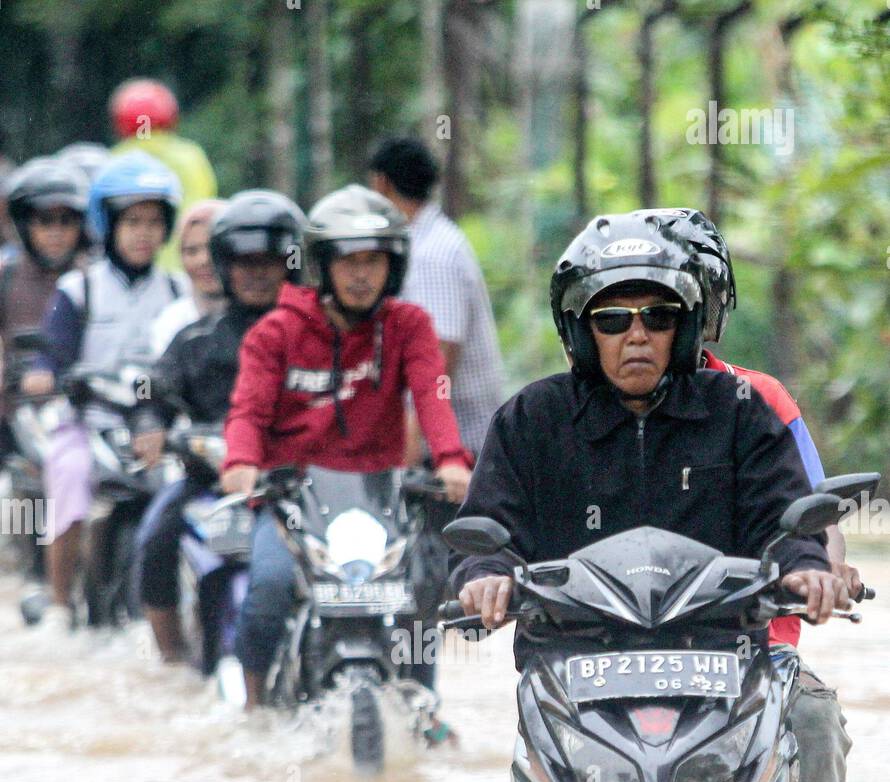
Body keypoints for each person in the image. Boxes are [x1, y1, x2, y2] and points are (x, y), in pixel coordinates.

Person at [454, 213, 848, 655]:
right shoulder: (533, 418)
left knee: (814, 718)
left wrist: (804, 566)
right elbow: (490, 527)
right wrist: (485, 574)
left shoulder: (737, 409)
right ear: (582, 333)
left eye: (659, 317)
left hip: (720, 660)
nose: (637, 336)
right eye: (613, 319)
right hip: (573, 662)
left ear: (685, 329)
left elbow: (784, 518)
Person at [631, 207, 855, 782]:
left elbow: (815, 518)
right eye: (633, 309)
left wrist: (822, 572)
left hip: (746, 644)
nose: (655, 327)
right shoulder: (572, 413)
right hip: (613, 648)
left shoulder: (761, 403)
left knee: (814, 719)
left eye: (675, 305)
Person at [221, 184, 473, 712]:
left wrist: (450, 460)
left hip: (384, 497)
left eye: (374, 262)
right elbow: (248, 411)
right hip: (293, 497)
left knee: (421, 592)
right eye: (349, 261)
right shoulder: (275, 332)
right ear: (322, 266)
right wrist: (242, 463)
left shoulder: (409, 325)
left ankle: (423, 704)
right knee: (267, 588)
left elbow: (432, 394)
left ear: (393, 267)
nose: (362, 275)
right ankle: (253, 709)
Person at [133, 191, 307, 663]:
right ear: (223, 265)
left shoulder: (320, 335)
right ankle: (171, 658)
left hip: (302, 485)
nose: (255, 272)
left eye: (268, 261)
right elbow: (151, 390)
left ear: (290, 262)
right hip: (211, 480)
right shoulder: (196, 339)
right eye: (242, 261)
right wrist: (150, 426)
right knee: (153, 535)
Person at [27, 152, 182, 633]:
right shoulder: (79, 289)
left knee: (181, 490)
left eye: (154, 222)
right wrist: (43, 374)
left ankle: (176, 608)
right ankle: (58, 601)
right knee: (68, 474)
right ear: (108, 224)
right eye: (132, 221)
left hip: (155, 426)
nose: (143, 233)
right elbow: (50, 355)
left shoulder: (176, 292)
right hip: (90, 420)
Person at [367, 135, 505, 465]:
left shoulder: (432, 254)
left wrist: (407, 454)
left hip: (461, 452)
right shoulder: (427, 239)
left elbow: (437, 361)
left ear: (381, 183)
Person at [1, 157, 91, 429]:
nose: (57, 232)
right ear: (24, 224)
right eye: (45, 221)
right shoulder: (5, 276)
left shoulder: (94, 279)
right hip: (14, 420)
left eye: (66, 221)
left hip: (84, 421)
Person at [109, 79, 217, 271]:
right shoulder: (191, 156)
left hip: (128, 264)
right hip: (186, 264)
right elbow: (204, 205)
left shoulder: (117, 158)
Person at [150, 198, 226, 357]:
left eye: (213, 248)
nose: (204, 260)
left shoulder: (262, 317)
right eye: (191, 251)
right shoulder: (171, 321)